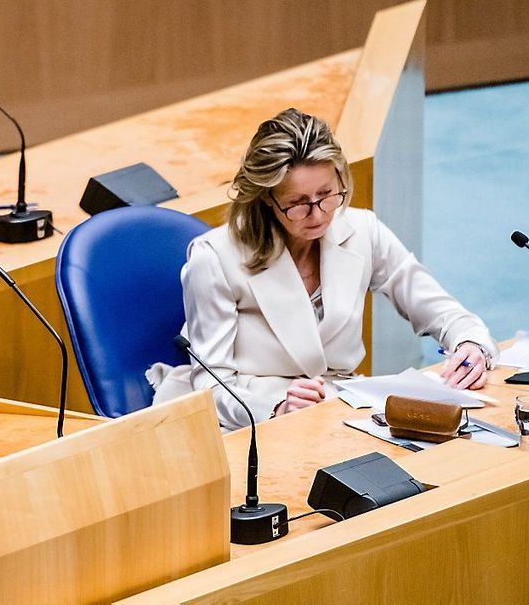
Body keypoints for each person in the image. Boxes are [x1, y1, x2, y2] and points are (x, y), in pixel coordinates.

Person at [149, 108, 497, 431]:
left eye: (327, 194)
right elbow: (212, 385)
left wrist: (471, 345)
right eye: (298, 204)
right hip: (250, 418)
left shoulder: (362, 229)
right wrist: (275, 407)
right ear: (266, 200)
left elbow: (440, 309)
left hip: (340, 406)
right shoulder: (215, 257)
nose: (318, 215)